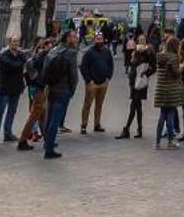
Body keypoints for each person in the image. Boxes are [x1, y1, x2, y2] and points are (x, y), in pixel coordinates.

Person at [40, 30, 79, 160]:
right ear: (67, 38)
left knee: (50, 117)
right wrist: (72, 90)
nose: (76, 38)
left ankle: (47, 143)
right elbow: (74, 75)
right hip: (63, 89)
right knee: (55, 120)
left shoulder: (53, 49)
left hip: (51, 87)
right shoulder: (71, 53)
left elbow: (45, 68)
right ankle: (49, 150)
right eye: (73, 36)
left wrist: (47, 83)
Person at [15, 38, 52, 153]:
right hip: (39, 88)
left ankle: (47, 140)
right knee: (34, 115)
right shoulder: (42, 57)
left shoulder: (39, 57)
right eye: (50, 46)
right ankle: (22, 140)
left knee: (42, 115)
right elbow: (43, 73)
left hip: (39, 88)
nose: (52, 48)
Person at [0, 35, 26, 144]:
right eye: (14, 41)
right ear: (9, 43)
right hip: (5, 88)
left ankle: (8, 133)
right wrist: (21, 64)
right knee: (0, 111)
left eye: (18, 41)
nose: (16, 43)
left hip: (17, 87)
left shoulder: (20, 54)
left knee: (12, 111)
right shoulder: (4, 55)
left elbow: (25, 63)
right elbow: (13, 65)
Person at [79, 31, 114, 133]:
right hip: (92, 83)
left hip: (104, 83)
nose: (99, 41)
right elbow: (83, 67)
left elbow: (111, 65)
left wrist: (108, 78)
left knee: (99, 105)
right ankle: (84, 125)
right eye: (97, 39)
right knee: (87, 104)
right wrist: (88, 80)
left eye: (101, 39)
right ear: (94, 40)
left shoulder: (107, 52)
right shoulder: (89, 52)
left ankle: (97, 124)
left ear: (103, 40)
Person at [153, 36, 184, 149]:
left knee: (162, 116)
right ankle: (170, 141)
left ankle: (157, 142)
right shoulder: (173, 57)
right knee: (170, 115)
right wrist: (181, 67)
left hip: (161, 90)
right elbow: (176, 73)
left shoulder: (161, 56)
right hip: (171, 90)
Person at [119, 41, 153, 140]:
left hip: (139, 84)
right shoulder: (136, 55)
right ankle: (139, 129)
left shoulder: (145, 55)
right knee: (137, 107)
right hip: (135, 84)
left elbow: (153, 66)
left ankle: (127, 129)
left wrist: (146, 74)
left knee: (133, 107)